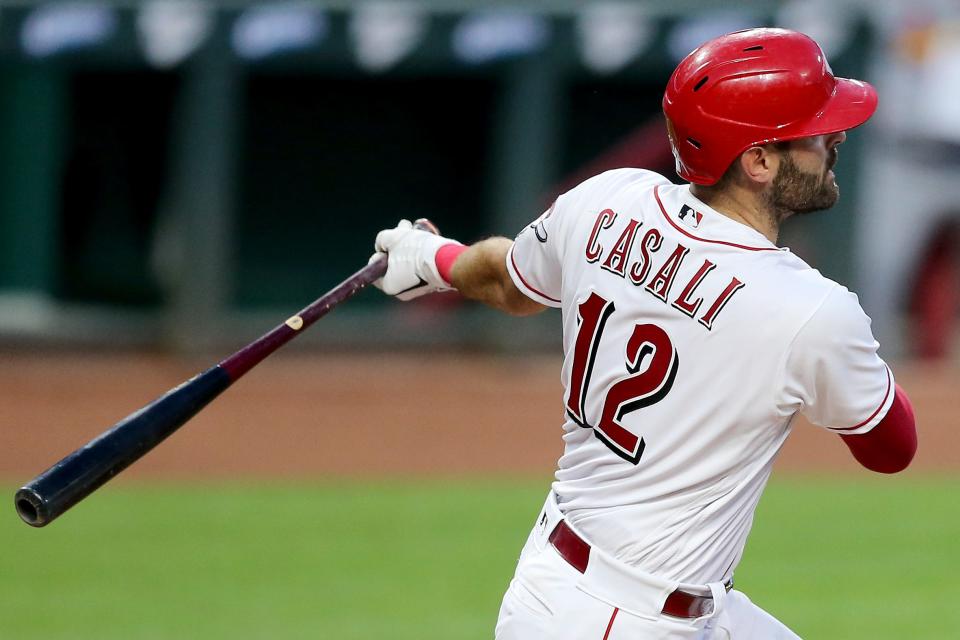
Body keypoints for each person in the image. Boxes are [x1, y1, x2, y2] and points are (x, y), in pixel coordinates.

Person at [370, 28, 917, 639]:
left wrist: (431, 257)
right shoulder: (812, 309)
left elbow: (506, 282)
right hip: (622, 621)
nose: (835, 136)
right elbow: (891, 449)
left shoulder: (608, 200)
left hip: (571, 578)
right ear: (758, 161)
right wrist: (841, 350)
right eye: (814, 128)